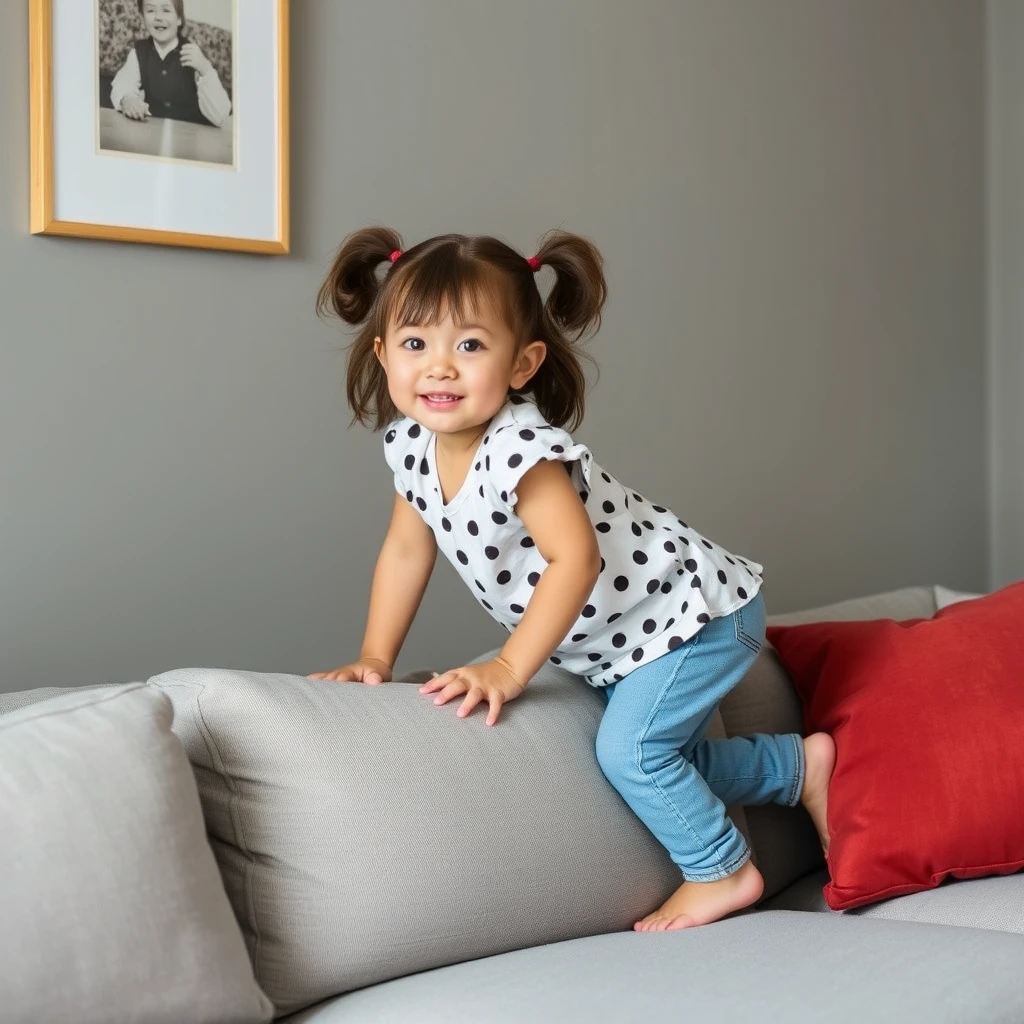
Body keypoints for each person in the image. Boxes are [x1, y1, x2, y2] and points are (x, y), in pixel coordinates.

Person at [310, 226, 835, 931]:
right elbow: (408, 552)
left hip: (694, 616)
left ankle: (722, 869)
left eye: (469, 345)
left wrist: (508, 667)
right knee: (641, 760)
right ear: (382, 354)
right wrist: (376, 657)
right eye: (414, 345)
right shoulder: (411, 447)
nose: (439, 367)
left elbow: (575, 558)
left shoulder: (522, 448)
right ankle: (796, 769)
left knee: (631, 753)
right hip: (621, 644)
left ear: (523, 363)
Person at [109, 0, 231, 128]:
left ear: (179, 19)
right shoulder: (139, 52)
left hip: (192, 136)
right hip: (154, 134)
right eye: (150, 11)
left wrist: (205, 69)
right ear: (142, 18)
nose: (158, 17)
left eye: (166, 10)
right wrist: (128, 99)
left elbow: (220, 115)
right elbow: (123, 83)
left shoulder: (193, 55)